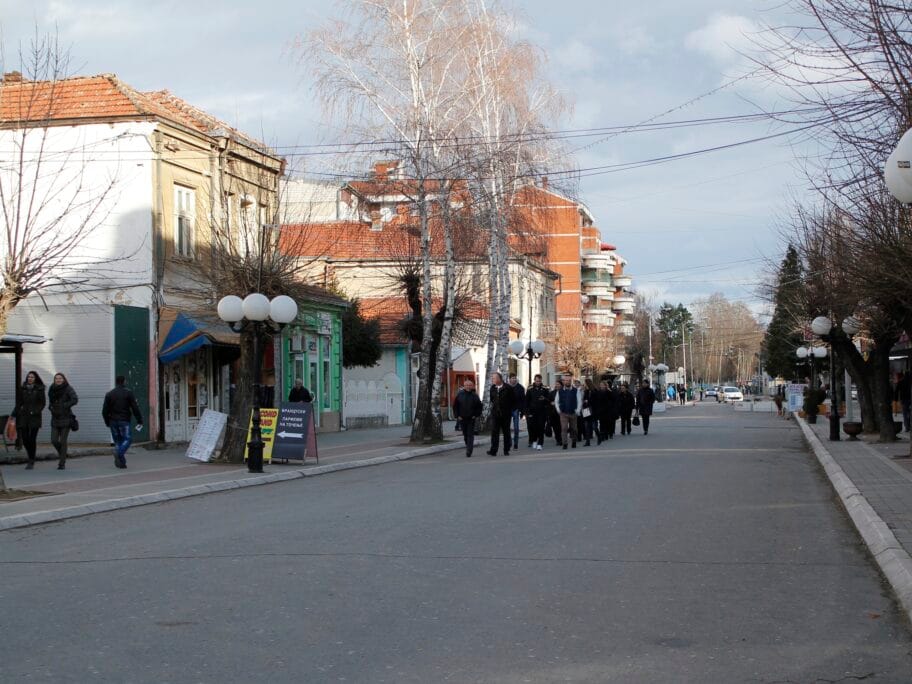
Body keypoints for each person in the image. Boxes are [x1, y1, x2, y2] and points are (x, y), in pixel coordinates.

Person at [102, 375, 144, 469]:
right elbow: (134, 408)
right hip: (124, 420)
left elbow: (104, 410)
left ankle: (122, 463)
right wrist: (139, 420)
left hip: (112, 420)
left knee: (118, 441)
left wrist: (107, 421)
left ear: (116, 382)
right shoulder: (128, 393)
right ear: (124, 381)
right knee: (127, 439)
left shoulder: (109, 394)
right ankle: (119, 453)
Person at [14, 371, 46, 470]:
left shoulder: (40, 389)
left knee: (32, 439)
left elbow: (42, 403)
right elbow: (19, 403)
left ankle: (31, 460)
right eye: (28, 377)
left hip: (34, 417)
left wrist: (35, 411)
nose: (30, 378)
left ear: (35, 378)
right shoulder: (22, 388)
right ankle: (31, 455)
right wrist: (15, 414)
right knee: (25, 438)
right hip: (24, 416)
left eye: (32, 377)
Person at [48, 373, 78, 470]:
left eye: (60, 378)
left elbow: (75, 399)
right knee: (54, 440)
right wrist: (51, 407)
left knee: (63, 441)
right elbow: (50, 401)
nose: (58, 380)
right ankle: (63, 454)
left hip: (65, 418)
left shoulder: (68, 388)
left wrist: (64, 406)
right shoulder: (51, 389)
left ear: (64, 379)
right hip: (55, 418)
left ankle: (62, 463)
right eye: (56, 378)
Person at [452, 378, 482, 457]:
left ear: (472, 386)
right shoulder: (460, 394)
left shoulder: (475, 395)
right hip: (462, 418)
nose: (468, 387)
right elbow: (455, 406)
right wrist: (457, 416)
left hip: (471, 418)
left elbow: (479, 407)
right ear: (464, 386)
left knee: (470, 434)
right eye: (466, 385)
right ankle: (467, 445)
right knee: (465, 434)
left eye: (470, 385)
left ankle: (469, 450)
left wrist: (475, 415)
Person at [487, 372, 515, 456]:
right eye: (492, 378)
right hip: (495, 413)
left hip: (506, 414)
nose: (493, 380)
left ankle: (506, 450)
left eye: (494, 378)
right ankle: (493, 450)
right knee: (494, 432)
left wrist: (509, 409)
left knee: (506, 432)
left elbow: (513, 400)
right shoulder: (492, 388)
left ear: (499, 379)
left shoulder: (508, 388)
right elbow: (492, 399)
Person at [525, 374, 551, 450]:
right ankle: (534, 440)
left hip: (542, 411)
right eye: (536, 381)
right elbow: (526, 401)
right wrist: (527, 412)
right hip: (532, 412)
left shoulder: (545, 388)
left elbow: (549, 399)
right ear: (534, 380)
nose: (538, 382)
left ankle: (540, 443)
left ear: (541, 380)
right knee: (533, 427)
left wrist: (545, 398)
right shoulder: (530, 388)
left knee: (541, 427)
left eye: (539, 381)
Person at [557, 375, 579, 450]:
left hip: (573, 412)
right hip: (563, 413)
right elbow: (556, 401)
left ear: (571, 381)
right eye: (566, 380)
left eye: (569, 380)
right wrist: (558, 410)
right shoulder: (560, 391)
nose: (567, 382)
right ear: (563, 381)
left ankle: (574, 441)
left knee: (574, 429)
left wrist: (577, 410)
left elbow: (579, 401)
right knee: (564, 428)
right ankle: (565, 443)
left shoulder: (576, 390)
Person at [508, 374, 526, 450]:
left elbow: (523, 400)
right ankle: (509, 442)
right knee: (507, 428)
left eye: (515, 378)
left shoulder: (520, 388)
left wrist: (522, 411)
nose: (514, 379)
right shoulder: (506, 387)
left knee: (516, 428)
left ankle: (515, 443)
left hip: (516, 409)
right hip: (508, 410)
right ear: (509, 379)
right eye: (512, 378)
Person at [581, 378, 597, 446]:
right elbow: (584, 399)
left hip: (592, 410)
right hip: (586, 410)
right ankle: (588, 441)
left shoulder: (594, 391)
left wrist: (588, 401)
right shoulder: (586, 391)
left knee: (593, 426)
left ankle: (599, 435)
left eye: (585, 383)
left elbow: (596, 401)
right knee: (586, 425)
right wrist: (584, 401)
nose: (584, 385)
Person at [548, 379, 563, 446]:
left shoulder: (564, 392)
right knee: (555, 427)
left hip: (561, 412)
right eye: (556, 384)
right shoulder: (552, 393)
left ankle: (561, 438)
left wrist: (558, 404)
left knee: (560, 427)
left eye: (558, 384)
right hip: (553, 413)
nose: (557, 385)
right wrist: (551, 403)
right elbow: (548, 401)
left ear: (561, 385)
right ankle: (558, 439)